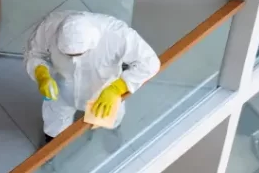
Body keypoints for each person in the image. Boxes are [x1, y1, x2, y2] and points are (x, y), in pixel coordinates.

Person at [24, 9, 160, 139]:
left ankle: (112, 134)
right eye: (68, 55)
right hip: (61, 90)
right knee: (54, 129)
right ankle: (51, 151)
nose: (73, 59)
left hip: (102, 92)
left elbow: (150, 63)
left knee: (110, 123)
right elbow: (35, 54)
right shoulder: (49, 27)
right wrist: (42, 75)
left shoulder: (117, 34)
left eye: (79, 55)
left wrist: (117, 88)